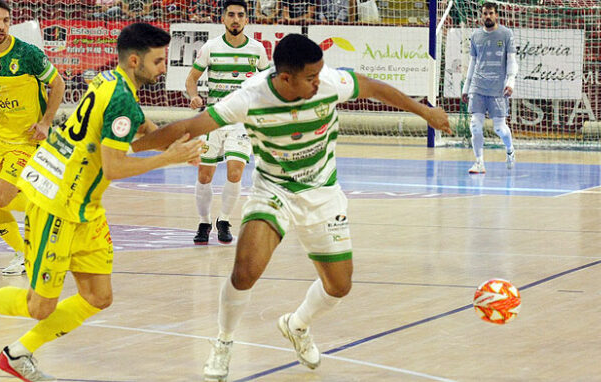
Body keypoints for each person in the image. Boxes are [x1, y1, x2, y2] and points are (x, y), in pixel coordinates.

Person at [130, 33, 451, 381]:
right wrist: (130, 148)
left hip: (323, 193)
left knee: (340, 286)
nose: (318, 81)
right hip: (274, 189)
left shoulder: (329, 81)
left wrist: (425, 112)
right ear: (285, 78)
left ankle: (297, 325)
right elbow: (190, 127)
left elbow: (372, 87)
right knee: (244, 271)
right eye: (310, 78)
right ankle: (223, 342)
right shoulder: (250, 97)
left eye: (319, 74)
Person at [0, 23, 203, 382]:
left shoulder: (110, 81)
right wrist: (168, 158)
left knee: (98, 295)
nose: (164, 68)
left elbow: (141, 131)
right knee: (39, 307)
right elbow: (115, 165)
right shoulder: (120, 96)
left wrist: (178, 140)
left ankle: (18, 354)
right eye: (158, 61)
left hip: (83, 206)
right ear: (136, 60)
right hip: (56, 202)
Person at [0, 0, 66, 276]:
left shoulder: (27, 54)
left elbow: (58, 84)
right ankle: (24, 254)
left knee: (1, 197)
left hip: (26, 138)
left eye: (6, 21)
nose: (2, 26)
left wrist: (46, 122)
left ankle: (52, 209)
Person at [186, 0, 270, 245]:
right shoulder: (210, 47)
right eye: (231, 15)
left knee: (235, 172)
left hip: (242, 120)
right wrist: (193, 96)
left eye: (240, 15)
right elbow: (192, 78)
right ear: (223, 19)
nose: (235, 19)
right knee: (204, 175)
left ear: (247, 20)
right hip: (213, 118)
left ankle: (224, 220)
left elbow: (267, 82)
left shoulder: (257, 49)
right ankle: (203, 222)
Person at [461, 1, 517, 174]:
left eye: (491, 13)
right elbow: (472, 62)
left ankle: (510, 150)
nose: (488, 16)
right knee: (475, 126)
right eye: (485, 13)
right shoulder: (476, 36)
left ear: (496, 15)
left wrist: (510, 82)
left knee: (499, 128)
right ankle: (479, 163)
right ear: (481, 16)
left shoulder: (506, 34)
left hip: (497, 89)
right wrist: (466, 87)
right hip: (478, 87)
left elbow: (512, 61)